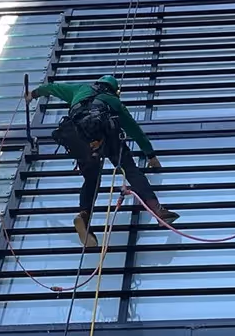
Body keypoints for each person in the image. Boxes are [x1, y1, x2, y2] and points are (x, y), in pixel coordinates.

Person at [25, 75, 179, 247]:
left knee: (91, 179)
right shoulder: (113, 101)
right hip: (106, 136)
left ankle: (83, 215)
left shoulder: (79, 89)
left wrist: (33, 94)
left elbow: (52, 88)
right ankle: (158, 210)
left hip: (77, 137)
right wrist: (151, 155)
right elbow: (134, 130)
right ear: (114, 90)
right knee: (130, 170)